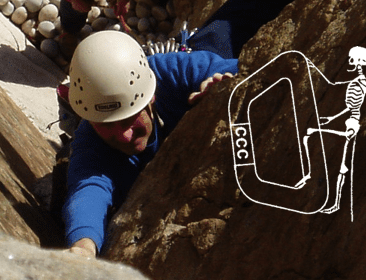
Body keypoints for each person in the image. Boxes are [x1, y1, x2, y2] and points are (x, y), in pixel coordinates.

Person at [61, 0, 294, 258]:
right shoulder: (89, 136)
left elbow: (245, 71)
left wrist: (220, 86)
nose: (124, 135)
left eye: (128, 119)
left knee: (224, 29)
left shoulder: (171, 71)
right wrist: (83, 247)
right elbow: (88, 189)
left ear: (150, 98)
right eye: (107, 126)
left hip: (203, 50)